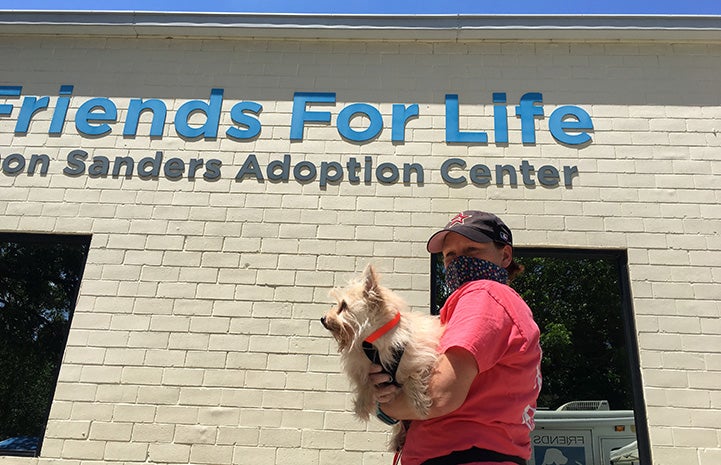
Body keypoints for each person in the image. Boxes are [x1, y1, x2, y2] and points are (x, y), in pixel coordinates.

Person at [370, 210, 542, 465]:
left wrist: (385, 404)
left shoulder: (483, 293)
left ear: (505, 255)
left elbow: (439, 397)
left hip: (460, 454)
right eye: (450, 255)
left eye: (472, 250)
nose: (460, 260)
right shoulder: (506, 305)